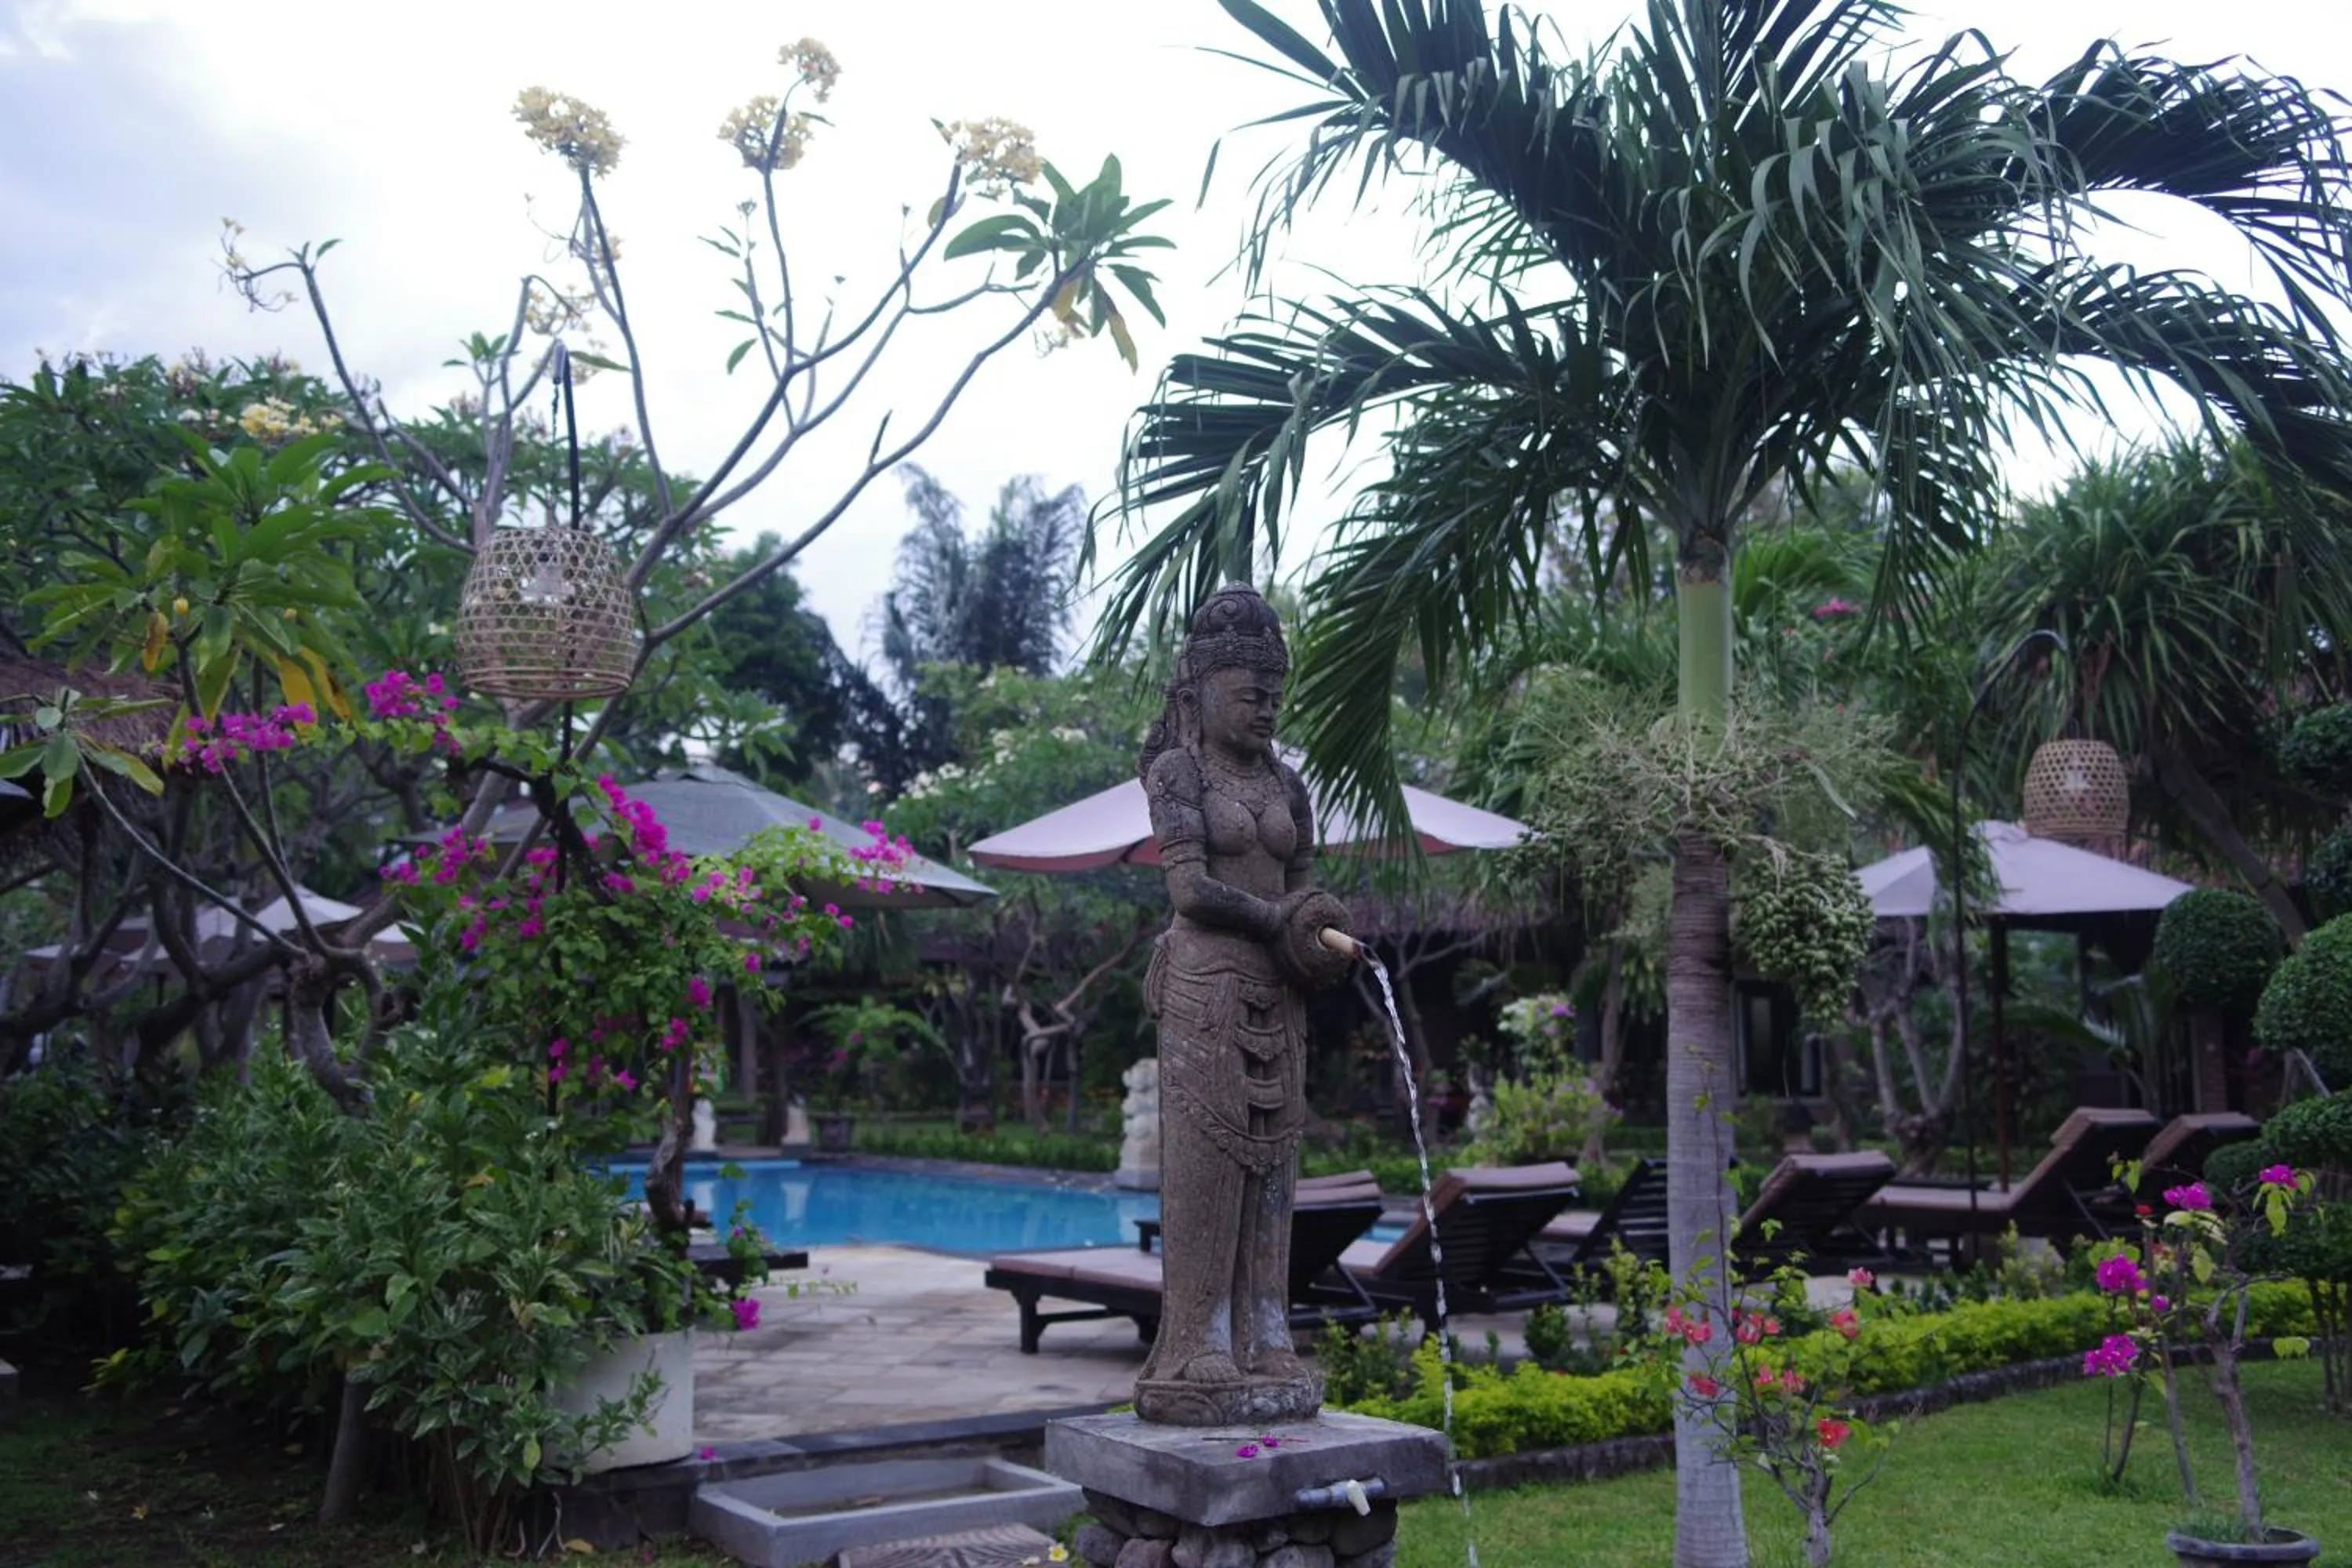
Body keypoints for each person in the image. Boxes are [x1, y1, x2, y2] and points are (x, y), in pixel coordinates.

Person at [1133, 582, 1355, 1426]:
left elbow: (1307, 886)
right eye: (1249, 690)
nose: (1265, 706)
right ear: (1199, 691)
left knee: (1275, 1165)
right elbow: (1190, 890)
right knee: (1209, 1168)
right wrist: (1282, 922)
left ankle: (1268, 1326)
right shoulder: (1178, 770)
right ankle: (1197, 1339)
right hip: (1203, 989)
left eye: (1274, 693)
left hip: (1279, 995)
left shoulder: (1286, 783)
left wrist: (1321, 929)